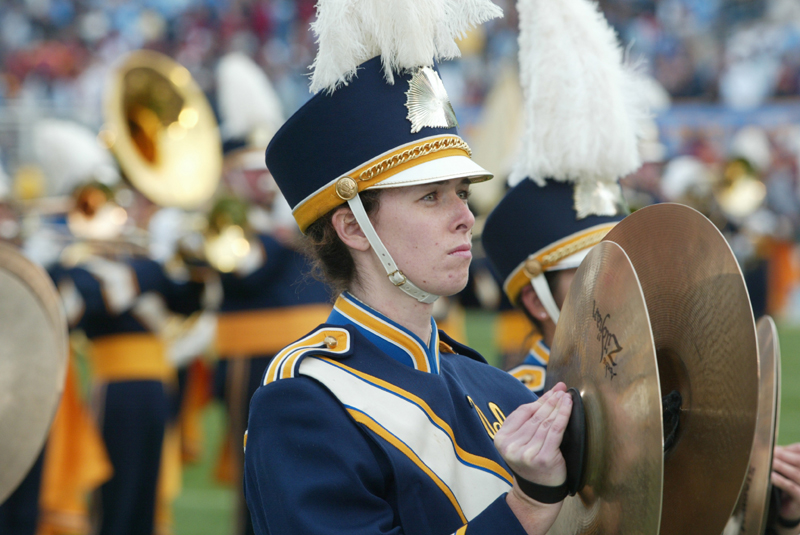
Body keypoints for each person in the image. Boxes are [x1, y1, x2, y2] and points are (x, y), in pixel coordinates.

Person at [243, 1, 576, 534]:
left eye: (463, 193)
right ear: (352, 227)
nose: (466, 217)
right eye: (431, 197)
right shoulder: (305, 401)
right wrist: (528, 507)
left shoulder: (500, 390)